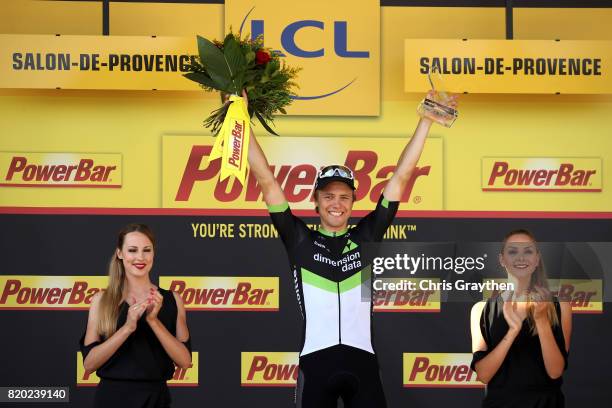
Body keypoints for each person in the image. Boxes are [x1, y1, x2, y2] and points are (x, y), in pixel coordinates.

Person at [246, 90, 455, 407]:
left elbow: (401, 177)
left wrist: (426, 121)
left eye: (344, 196)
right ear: (315, 202)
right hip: (316, 364)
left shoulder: (366, 236)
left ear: (353, 202)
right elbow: (266, 180)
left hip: (363, 364)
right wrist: (240, 118)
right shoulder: (299, 239)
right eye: (328, 196)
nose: (336, 203)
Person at [79, 224, 191, 408]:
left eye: (146, 250)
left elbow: (185, 361)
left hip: (156, 399)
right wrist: (127, 328)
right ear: (120, 254)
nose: (140, 257)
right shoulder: (101, 300)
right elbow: (89, 363)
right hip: (111, 398)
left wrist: (154, 321)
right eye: (132, 250)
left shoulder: (172, 300)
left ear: (153, 253)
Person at [470, 229, 572, 408]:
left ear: (537, 259)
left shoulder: (559, 306)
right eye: (513, 251)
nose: (521, 257)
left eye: (528, 251)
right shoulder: (481, 310)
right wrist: (512, 332)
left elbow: (555, 371)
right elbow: (483, 375)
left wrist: (541, 321)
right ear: (502, 259)